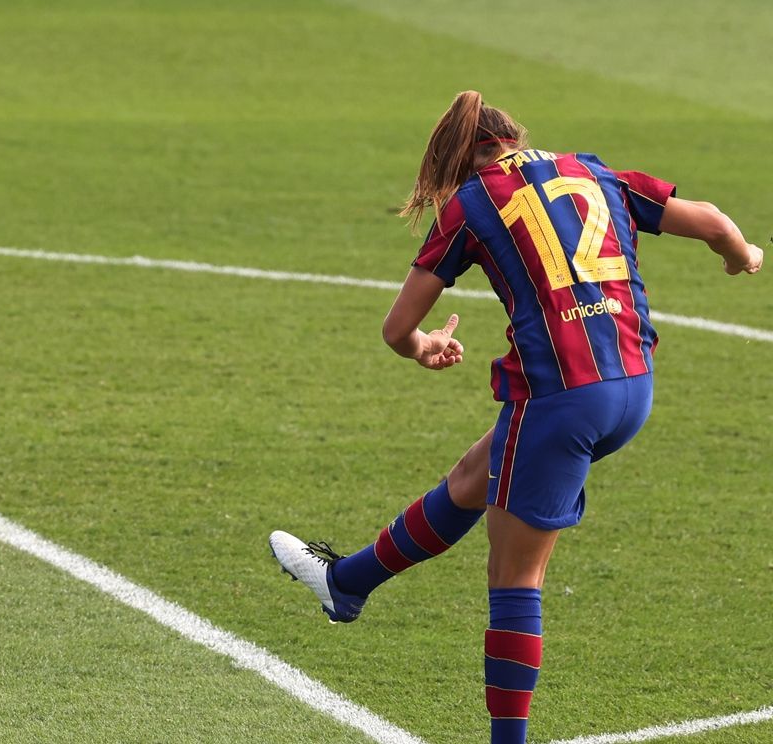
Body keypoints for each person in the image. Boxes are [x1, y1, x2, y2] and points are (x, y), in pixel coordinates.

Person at [269, 91, 761, 744]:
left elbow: (397, 328)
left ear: (459, 160)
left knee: (514, 578)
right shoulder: (593, 171)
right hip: (632, 385)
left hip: (560, 399)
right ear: (513, 135)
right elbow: (714, 221)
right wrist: (742, 256)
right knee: (476, 472)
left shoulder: (474, 203)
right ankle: (346, 583)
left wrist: (424, 347)